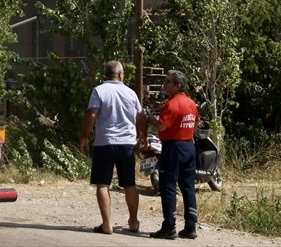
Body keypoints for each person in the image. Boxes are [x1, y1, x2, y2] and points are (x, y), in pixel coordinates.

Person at [79, 60, 145, 235]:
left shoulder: (99, 90)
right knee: (129, 184)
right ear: (121, 74)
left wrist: (84, 136)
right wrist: (144, 135)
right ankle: (133, 221)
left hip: (105, 142)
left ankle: (107, 224)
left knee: (102, 183)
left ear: (105, 75)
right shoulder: (130, 93)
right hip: (127, 144)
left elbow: (92, 113)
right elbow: (141, 116)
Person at [141, 69, 199, 240]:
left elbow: (162, 127)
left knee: (168, 186)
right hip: (188, 145)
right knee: (188, 187)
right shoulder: (191, 103)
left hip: (173, 146)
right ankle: (190, 226)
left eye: (168, 82)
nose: (164, 84)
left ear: (177, 86)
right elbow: (195, 125)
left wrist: (150, 119)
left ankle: (169, 226)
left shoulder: (172, 104)